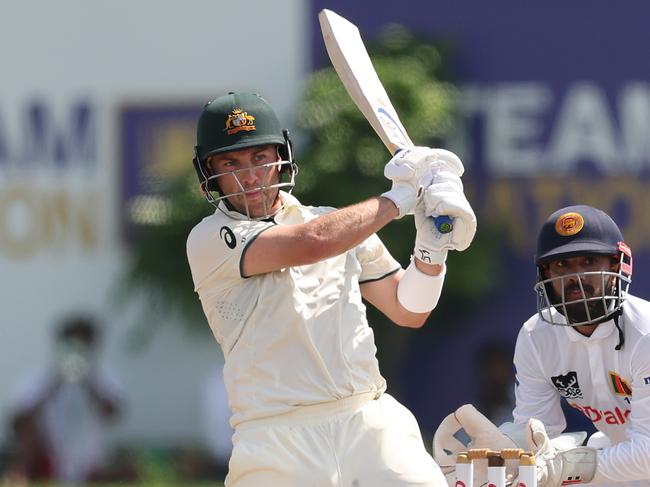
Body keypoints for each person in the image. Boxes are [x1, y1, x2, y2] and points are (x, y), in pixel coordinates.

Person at [186, 91, 477, 486]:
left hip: (368, 421)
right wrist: (402, 197)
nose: (250, 176)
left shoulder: (336, 224)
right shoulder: (209, 239)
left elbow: (409, 310)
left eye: (259, 158)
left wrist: (432, 247)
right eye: (230, 162)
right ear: (210, 173)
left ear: (280, 157)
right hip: (275, 435)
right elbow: (312, 243)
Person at [434, 205, 650, 487]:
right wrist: (502, 454)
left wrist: (562, 468)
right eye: (562, 265)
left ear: (615, 266)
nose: (576, 277)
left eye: (588, 261)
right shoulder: (537, 337)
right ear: (545, 275)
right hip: (620, 465)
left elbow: (647, 452)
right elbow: (538, 435)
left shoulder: (644, 333)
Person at [3, 315, 124, 485]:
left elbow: (112, 414)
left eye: (82, 345)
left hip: (89, 459)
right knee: (27, 436)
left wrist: (89, 382)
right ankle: (17, 478)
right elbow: (17, 423)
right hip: (49, 455)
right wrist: (52, 385)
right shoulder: (36, 377)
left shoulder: (105, 377)